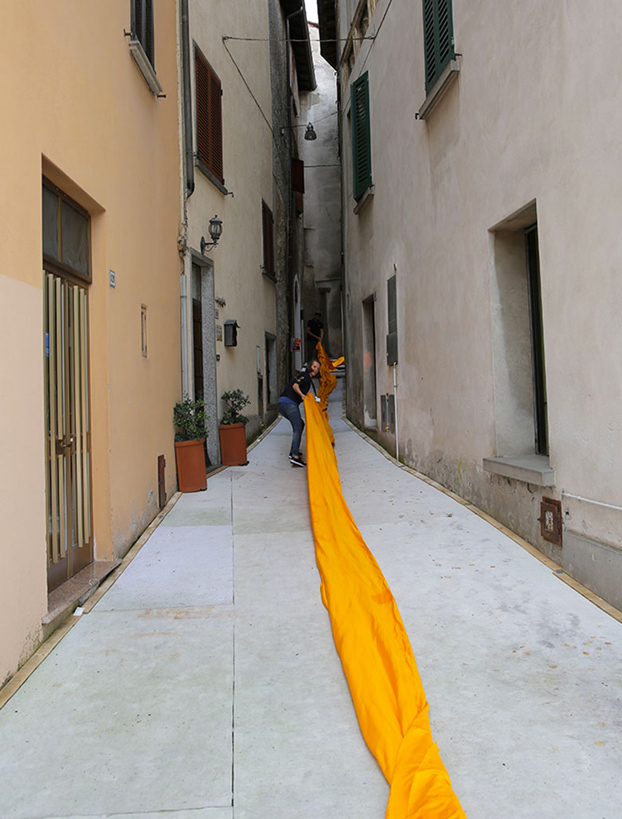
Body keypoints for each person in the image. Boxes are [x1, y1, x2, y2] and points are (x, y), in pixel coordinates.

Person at [278, 359, 320, 466]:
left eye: (318, 368)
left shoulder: (305, 377)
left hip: (282, 403)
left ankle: (293, 450)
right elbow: (295, 386)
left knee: (300, 424)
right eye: (315, 367)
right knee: (297, 427)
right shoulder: (305, 375)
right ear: (310, 366)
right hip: (289, 403)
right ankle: (295, 456)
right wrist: (302, 395)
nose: (316, 370)